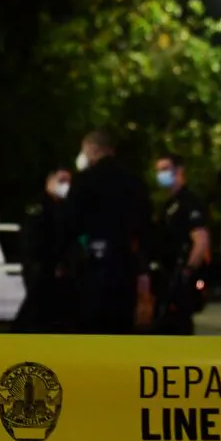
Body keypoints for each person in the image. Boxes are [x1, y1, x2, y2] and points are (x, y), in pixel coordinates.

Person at [63, 129, 153, 335]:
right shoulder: (134, 182)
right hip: (124, 266)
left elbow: (70, 224)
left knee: (91, 325)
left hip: (91, 267)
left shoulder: (83, 181)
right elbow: (145, 227)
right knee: (121, 327)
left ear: (92, 150)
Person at [153, 153, 211, 336]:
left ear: (179, 170)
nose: (160, 174)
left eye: (165, 169)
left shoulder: (189, 202)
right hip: (166, 276)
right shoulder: (169, 203)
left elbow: (200, 241)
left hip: (179, 278)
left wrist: (187, 271)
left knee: (178, 326)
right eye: (158, 170)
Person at [12, 168, 72, 333]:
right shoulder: (39, 207)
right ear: (50, 181)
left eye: (68, 181)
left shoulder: (64, 207)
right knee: (35, 313)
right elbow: (32, 242)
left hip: (58, 271)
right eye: (61, 181)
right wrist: (42, 267)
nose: (65, 185)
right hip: (41, 270)